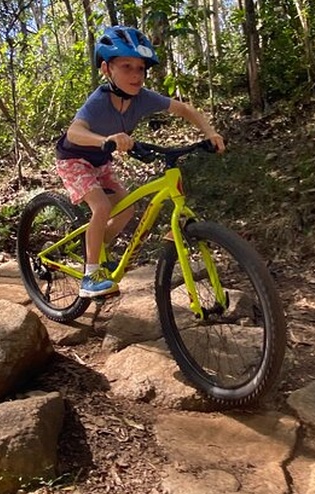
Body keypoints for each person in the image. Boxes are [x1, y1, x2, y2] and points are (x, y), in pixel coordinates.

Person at [56, 25, 225, 298]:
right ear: (106, 69)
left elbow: (183, 109)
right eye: (126, 67)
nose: (136, 75)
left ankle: (96, 249)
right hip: (74, 158)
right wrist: (105, 139)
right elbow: (74, 131)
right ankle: (90, 276)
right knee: (100, 207)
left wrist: (210, 132)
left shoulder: (143, 98)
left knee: (126, 208)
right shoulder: (99, 100)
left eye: (141, 68)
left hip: (100, 162)